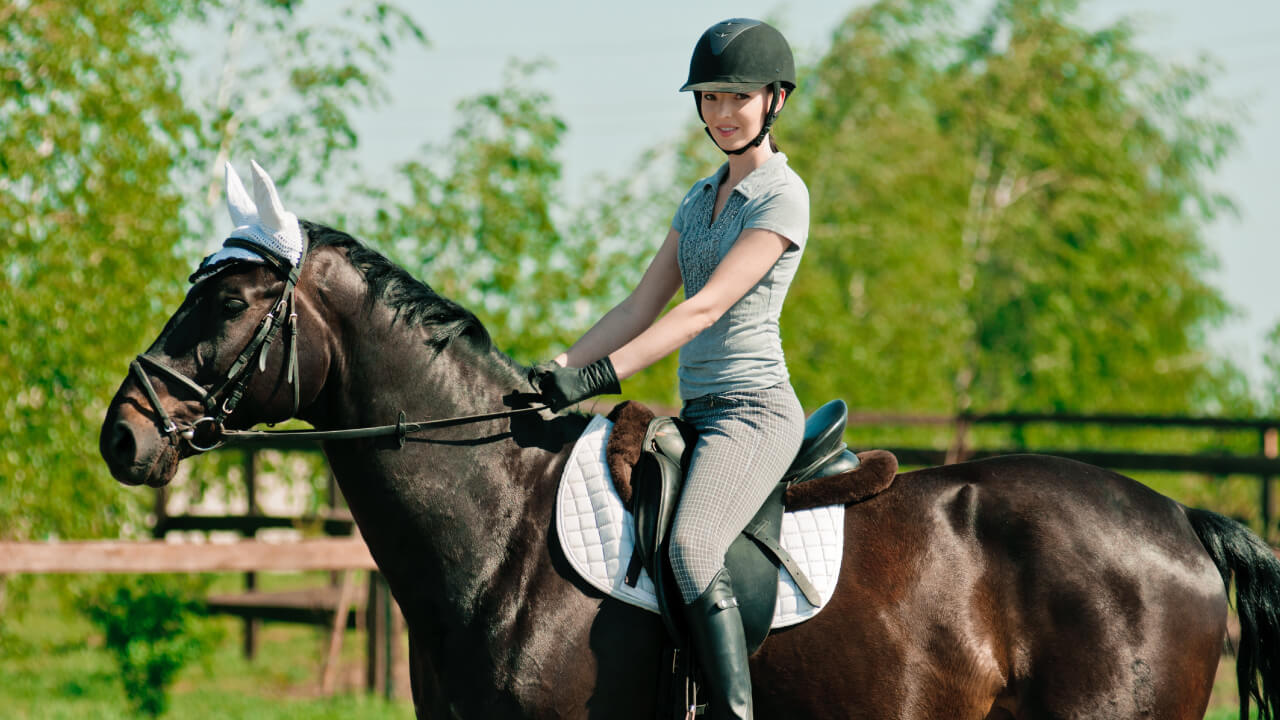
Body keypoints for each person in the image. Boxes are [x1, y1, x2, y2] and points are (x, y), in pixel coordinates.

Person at [532, 18, 805, 720]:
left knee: (689, 548)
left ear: (775, 99)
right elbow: (639, 305)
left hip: (754, 412)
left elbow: (702, 310)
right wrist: (560, 365)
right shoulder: (696, 198)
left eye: (736, 98)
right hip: (699, 413)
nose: (720, 113)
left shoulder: (782, 195)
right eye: (709, 97)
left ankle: (733, 715)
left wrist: (597, 381)